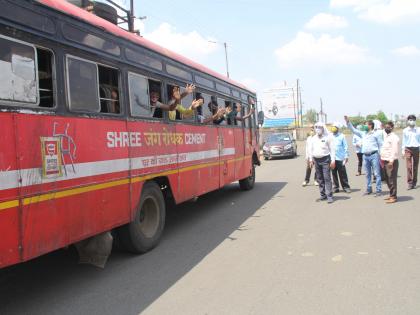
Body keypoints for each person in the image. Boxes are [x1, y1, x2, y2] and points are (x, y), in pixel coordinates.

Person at [345, 116, 383, 196]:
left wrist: (381, 156)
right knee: (367, 174)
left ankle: (378, 190)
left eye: (366, 125)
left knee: (376, 173)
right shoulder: (363, 134)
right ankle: (369, 189)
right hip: (365, 156)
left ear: (370, 126)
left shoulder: (376, 134)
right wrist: (348, 122)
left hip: (374, 155)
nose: (364, 126)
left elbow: (380, 145)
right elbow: (353, 130)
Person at [309, 122, 336, 203]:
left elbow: (332, 149)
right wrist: (310, 160)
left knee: (327, 178)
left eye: (320, 127)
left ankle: (329, 196)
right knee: (319, 178)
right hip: (316, 160)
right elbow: (311, 150)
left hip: (325, 160)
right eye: (316, 127)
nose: (318, 129)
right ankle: (323, 195)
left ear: (323, 128)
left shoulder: (328, 137)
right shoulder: (313, 138)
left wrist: (333, 160)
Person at [380, 121, 400, 203]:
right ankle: (391, 194)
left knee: (391, 179)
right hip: (385, 160)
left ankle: (394, 197)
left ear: (392, 128)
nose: (386, 128)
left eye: (388, 127)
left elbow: (394, 150)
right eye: (385, 127)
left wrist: (391, 161)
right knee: (387, 179)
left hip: (391, 161)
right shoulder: (386, 136)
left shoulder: (394, 137)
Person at [331, 122, 351, 193]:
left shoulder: (342, 136)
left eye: (335, 127)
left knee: (342, 173)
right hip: (332, 158)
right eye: (332, 126)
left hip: (340, 158)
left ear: (338, 128)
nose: (333, 128)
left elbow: (345, 146)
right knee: (333, 173)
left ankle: (346, 187)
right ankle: (336, 187)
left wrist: (346, 156)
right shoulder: (330, 136)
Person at [402, 114, 420, 190]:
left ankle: (414, 182)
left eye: (413, 120)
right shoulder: (405, 130)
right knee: (409, 167)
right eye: (410, 120)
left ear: (415, 121)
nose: (411, 121)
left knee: (415, 167)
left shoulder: (418, 130)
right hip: (408, 149)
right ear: (408, 121)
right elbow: (404, 141)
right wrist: (403, 151)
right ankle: (409, 183)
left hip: (416, 149)